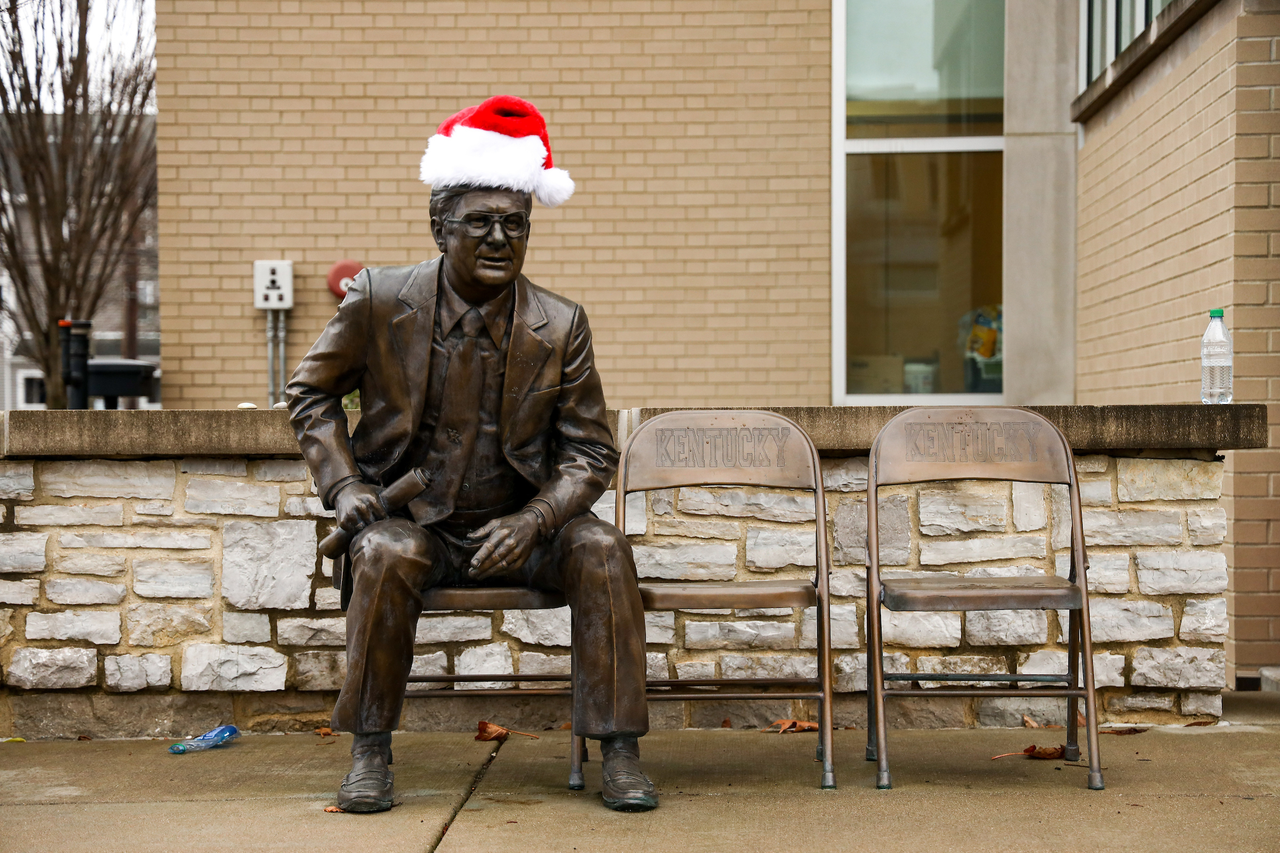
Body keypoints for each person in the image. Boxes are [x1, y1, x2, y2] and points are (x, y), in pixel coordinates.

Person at [286, 96, 655, 814]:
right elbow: (309, 394)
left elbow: (589, 451)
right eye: (479, 222)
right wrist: (343, 485)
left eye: (514, 224)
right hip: (416, 524)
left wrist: (538, 520)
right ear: (439, 227)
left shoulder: (561, 323)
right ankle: (369, 751)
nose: (498, 237)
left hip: (521, 530)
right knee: (385, 552)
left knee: (604, 549)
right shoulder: (377, 299)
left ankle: (621, 752)